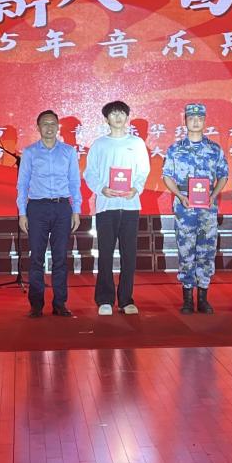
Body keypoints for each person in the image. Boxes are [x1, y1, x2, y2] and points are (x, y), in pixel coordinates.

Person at [83, 100, 150, 315]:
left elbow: (143, 171)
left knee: (129, 255)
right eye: (113, 114)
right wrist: (101, 189)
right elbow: (89, 173)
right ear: (106, 119)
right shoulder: (99, 144)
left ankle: (126, 300)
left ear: (127, 117)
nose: (118, 117)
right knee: (105, 254)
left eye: (122, 113)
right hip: (106, 206)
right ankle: (104, 299)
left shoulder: (137, 143)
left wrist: (136, 188)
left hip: (130, 206)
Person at [162, 103, 229, 314]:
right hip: (184, 207)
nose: (196, 121)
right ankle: (188, 299)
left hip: (207, 208)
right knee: (185, 251)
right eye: (191, 118)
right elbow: (167, 176)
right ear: (185, 121)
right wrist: (180, 195)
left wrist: (213, 195)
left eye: (200, 118)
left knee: (207, 251)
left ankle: (203, 297)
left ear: (205, 121)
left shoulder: (214, 149)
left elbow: (223, 175)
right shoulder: (175, 149)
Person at [17, 110, 81, 318]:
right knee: (36, 257)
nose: (49, 127)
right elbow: (22, 184)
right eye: (45, 124)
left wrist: (76, 210)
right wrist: (22, 213)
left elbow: (74, 182)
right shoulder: (29, 152)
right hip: (37, 208)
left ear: (58, 127)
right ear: (38, 128)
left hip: (62, 207)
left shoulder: (68, 152)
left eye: (53, 123)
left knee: (60, 257)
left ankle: (60, 303)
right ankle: (36, 304)